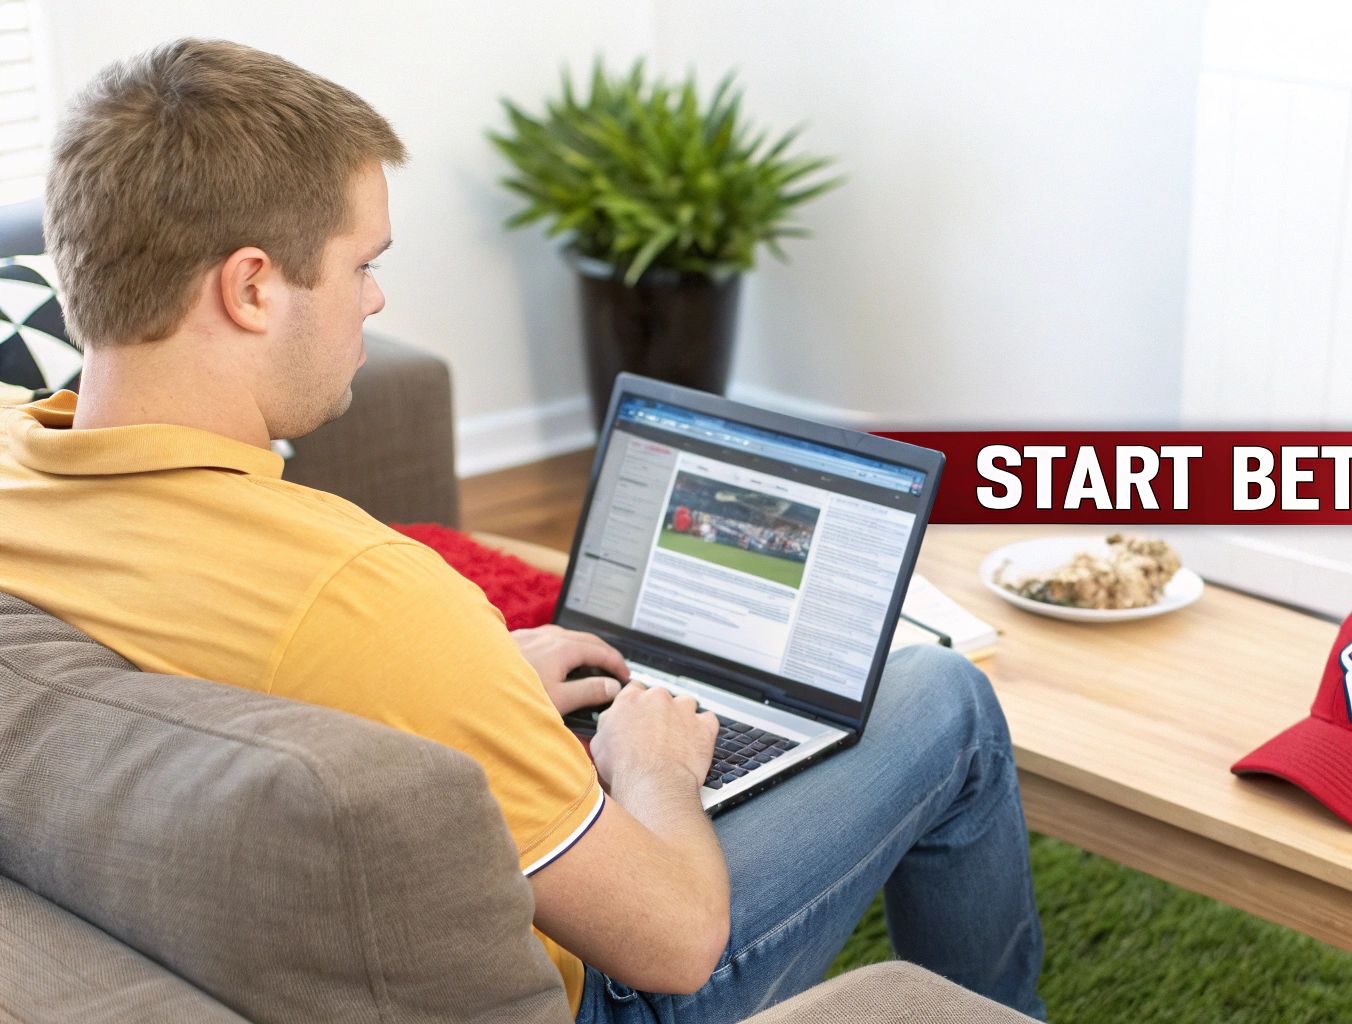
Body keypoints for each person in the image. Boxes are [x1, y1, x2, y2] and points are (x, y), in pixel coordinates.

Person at [0, 39, 1045, 1023]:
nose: (376, 298)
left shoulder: (15, 471)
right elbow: (676, 942)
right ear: (251, 286)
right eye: (362, 264)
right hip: (590, 984)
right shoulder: (372, 596)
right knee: (942, 694)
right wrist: (654, 769)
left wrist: (465, 690)